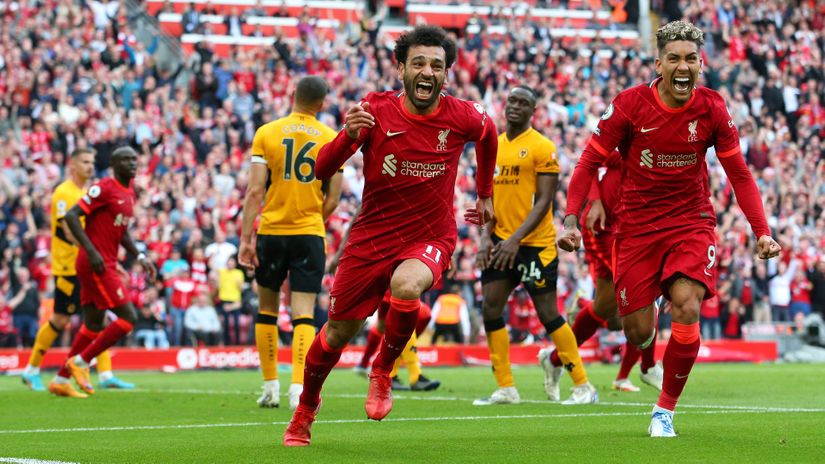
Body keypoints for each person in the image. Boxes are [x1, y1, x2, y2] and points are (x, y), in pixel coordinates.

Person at [557, 21, 781, 437]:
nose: (683, 66)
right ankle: (651, 310)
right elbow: (588, 162)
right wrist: (571, 218)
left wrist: (761, 230)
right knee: (638, 334)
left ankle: (665, 411)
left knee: (688, 305)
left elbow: (740, 174)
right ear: (658, 63)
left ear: (701, 64)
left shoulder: (712, 107)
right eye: (674, 58)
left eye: (691, 59)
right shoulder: (628, 105)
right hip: (637, 229)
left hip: (690, 221)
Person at [282, 25, 497, 446]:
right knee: (336, 336)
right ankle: (306, 408)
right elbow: (321, 170)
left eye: (437, 65)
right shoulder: (375, 109)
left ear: (446, 76)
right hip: (372, 238)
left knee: (407, 285)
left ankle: (383, 369)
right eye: (418, 62)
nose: (427, 71)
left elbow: (488, 136)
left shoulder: (463, 115)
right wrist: (347, 136)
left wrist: (485, 193)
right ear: (400, 68)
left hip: (430, 235)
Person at [474, 84, 597, 406]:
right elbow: (485, 197)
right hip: (501, 241)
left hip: (534, 244)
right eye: (511, 100)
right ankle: (506, 387)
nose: (515, 106)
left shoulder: (543, 147)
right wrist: (486, 237)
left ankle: (583, 385)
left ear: (533, 111)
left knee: (547, 313)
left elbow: (544, 202)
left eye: (523, 103)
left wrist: (515, 240)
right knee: (490, 306)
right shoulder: (491, 146)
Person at [238, 75, 343, 410]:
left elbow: (255, 191)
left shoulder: (266, 132)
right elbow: (335, 199)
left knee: (267, 309)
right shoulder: (331, 137)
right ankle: (298, 388)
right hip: (309, 233)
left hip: (271, 231)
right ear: (322, 103)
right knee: (303, 313)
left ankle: (269, 387)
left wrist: (245, 238)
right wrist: (313, 219)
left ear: (292, 95)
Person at [539, 150, 662, 396]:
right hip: (605, 229)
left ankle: (553, 359)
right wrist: (595, 200)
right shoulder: (629, 132)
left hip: (633, 228)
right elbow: (590, 163)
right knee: (642, 295)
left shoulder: (663, 146)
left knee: (607, 310)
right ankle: (648, 366)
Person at [23, 148, 133, 394]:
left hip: (91, 263)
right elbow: (66, 229)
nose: (90, 166)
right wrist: (92, 252)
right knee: (61, 319)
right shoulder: (64, 192)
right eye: (85, 162)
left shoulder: (86, 192)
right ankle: (31, 370)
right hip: (68, 266)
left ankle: (104, 374)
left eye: (93, 162)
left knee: (100, 315)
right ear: (72, 165)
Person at [50, 147, 157, 398]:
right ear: (114, 164)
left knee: (93, 324)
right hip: (96, 263)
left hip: (103, 261)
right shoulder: (104, 188)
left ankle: (60, 379)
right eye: (126, 159)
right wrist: (91, 250)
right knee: (128, 318)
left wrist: (139, 255)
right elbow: (72, 215)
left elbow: (122, 231)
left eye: (134, 159)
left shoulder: (128, 192)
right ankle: (82, 361)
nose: (132, 163)